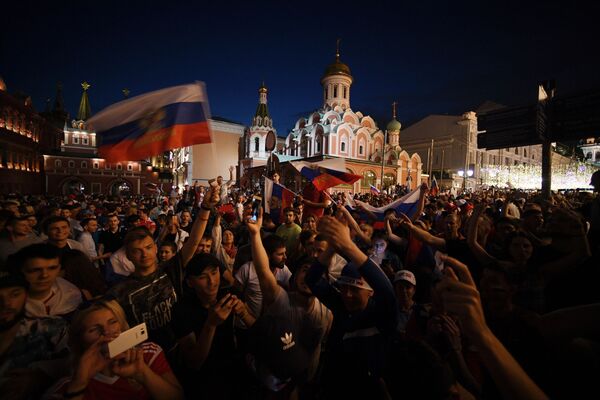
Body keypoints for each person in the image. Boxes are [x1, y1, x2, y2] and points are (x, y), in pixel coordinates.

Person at [107, 184, 219, 353]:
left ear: (156, 248)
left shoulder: (170, 270)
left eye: (148, 247)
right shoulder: (120, 292)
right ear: (128, 256)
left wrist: (206, 207)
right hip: (148, 357)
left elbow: (194, 241)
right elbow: (117, 339)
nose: (144, 254)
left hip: (181, 348)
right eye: (137, 251)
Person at [306, 215, 398, 398]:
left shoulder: (382, 314)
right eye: (343, 288)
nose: (347, 295)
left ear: (370, 291)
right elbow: (311, 280)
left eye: (355, 290)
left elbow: (387, 292)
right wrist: (332, 247)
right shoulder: (341, 305)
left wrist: (349, 246)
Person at [435, 255, 548, 399]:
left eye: (493, 282)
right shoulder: (475, 315)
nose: (485, 287)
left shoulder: (528, 325)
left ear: (512, 289)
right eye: (484, 279)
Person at [245, 207, 332, 395]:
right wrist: (255, 235)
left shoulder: (327, 313)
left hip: (306, 381)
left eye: (314, 274)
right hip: (275, 381)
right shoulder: (283, 301)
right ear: (295, 277)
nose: (308, 277)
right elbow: (263, 273)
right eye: (304, 270)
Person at [47, 299, 184, 400]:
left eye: (113, 322)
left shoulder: (148, 353)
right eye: (94, 329)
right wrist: (79, 384)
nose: (107, 332)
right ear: (80, 340)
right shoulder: (68, 386)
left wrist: (143, 374)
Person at [171, 253, 254, 399]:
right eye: (203, 277)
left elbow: (257, 330)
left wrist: (244, 313)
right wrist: (210, 324)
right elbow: (194, 362)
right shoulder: (181, 310)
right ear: (190, 282)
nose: (212, 281)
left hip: (233, 366)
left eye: (215, 273)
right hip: (204, 377)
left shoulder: (228, 294)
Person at [0, 270, 70, 400]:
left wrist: (42, 375)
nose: (6, 304)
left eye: (15, 294)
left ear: (26, 295)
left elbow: (77, 363)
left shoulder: (51, 330)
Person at [11, 243, 82, 319]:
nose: (44, 275)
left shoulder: (72, 295)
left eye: (52, 268)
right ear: (21, 271)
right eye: (35, 270)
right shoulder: (9, 304)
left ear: (59, 268)